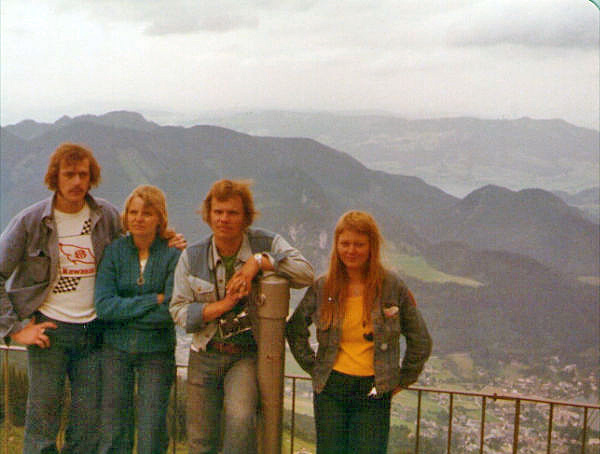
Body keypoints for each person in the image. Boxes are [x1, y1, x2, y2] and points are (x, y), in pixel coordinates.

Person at [169, 179, 313, 454]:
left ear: (246, 216)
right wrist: (225, 305)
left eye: (232, 212)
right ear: (208, 215)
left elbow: (305, 272)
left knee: (241, 420)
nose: (224, 219)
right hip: (204, 351)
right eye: (218, 212)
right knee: (200, 438)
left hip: (245, 355)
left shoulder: (265, 242)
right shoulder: (192, 255)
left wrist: (257, 262)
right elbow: (179, 311)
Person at [0, 143, 121, 454]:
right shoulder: (31, 221)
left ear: (92, 178)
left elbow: (133, 250)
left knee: (87, 428)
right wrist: (15, 329)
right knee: (42, 427)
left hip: (94, 333)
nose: (77, 182)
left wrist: (165, 238)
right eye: (69, 174)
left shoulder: (106, 216)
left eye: (83, 174)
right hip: (49, 334)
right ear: (55, 177)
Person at [285, 210, 432, 454]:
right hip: (331, 389)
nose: (351, 250)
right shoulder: (323, 287)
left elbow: (421, 340)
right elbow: (295, 328)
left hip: (373, 390)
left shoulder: (392, 287)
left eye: (359, 244)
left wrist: (403, 379)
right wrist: (315, 367)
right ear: (336, 246)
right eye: (345, 244)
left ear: (371, 246)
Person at [94, 185, 181, 454]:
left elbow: (171, 311)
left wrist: (125, 313)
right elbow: (104, 307)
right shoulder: (114, 252)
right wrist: (151, 300)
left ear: (159, 218)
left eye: (146, 213)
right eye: (133, 212)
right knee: (113, 430)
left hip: (157, 352)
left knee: (152, 431)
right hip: (115, 351)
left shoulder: (173, 254)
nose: (138, 218)